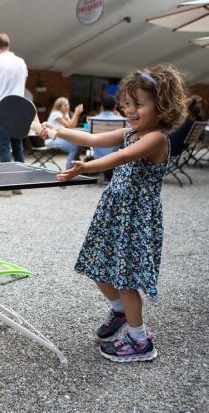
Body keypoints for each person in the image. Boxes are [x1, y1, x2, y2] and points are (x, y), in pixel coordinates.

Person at [42, 64, 187, 362]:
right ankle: (120, 313)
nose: (131, 111)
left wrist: (85, 167)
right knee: (97, 267)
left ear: (162, 107)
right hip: (114, 213)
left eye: (139, 105)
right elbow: (92, 139)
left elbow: (120, 157)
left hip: (135, 219)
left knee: (127, 280)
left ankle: (140, 340)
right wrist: (58, 130)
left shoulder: (156, 139)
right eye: (128, 104)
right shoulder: (129, 132)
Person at [0, 32, 28, 196]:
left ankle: (5, 188)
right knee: (18, 147)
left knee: (4, 146)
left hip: (3, 108)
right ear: (8, 45)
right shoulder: (21, 62)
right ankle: (18, 185)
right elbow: (22, 86)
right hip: (19, 107)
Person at [91, 94, 128, 182]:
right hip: (114, 152)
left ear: (102, 106)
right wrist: (120, 116)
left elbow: (88, 132)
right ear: (115, 106)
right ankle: (109, 175)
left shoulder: (93, 119)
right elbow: (130, 131)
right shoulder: (121, 120)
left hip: (97, 152)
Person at [44, 97, 83, 169]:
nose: (68, 106)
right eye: (65, 105)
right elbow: (70, 125)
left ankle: (77, 167)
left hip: (60, 138)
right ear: (59, 107)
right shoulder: (56, 114)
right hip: (51, 140)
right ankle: (69, 168)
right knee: (75, 146)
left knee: (79, 143)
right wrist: (76, 113)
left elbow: (72, 126)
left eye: (68, 104)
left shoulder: (65, 114)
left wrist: (75, 114)